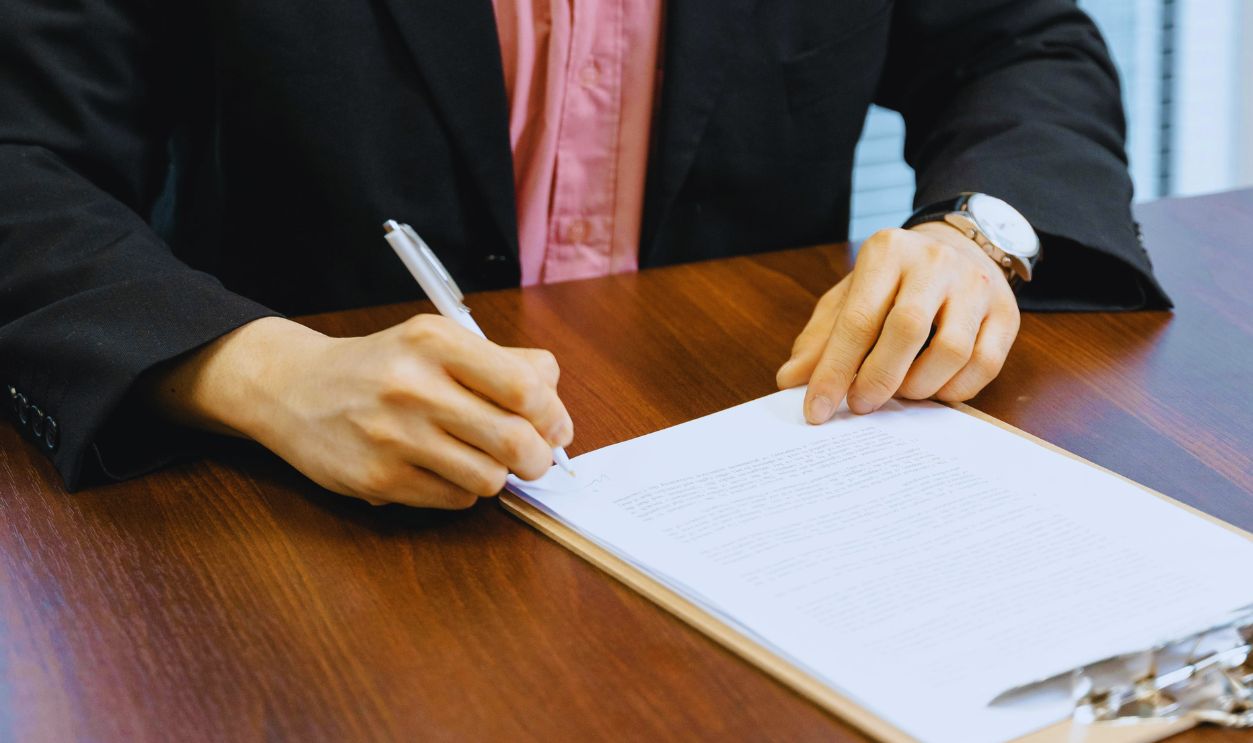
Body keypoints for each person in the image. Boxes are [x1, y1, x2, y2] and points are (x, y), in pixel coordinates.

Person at [0, 0, 1169, 508]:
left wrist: (974, 238)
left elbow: (1020, 42)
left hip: (755, 453)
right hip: (292, 513)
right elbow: (20, 158)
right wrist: (258, 373)